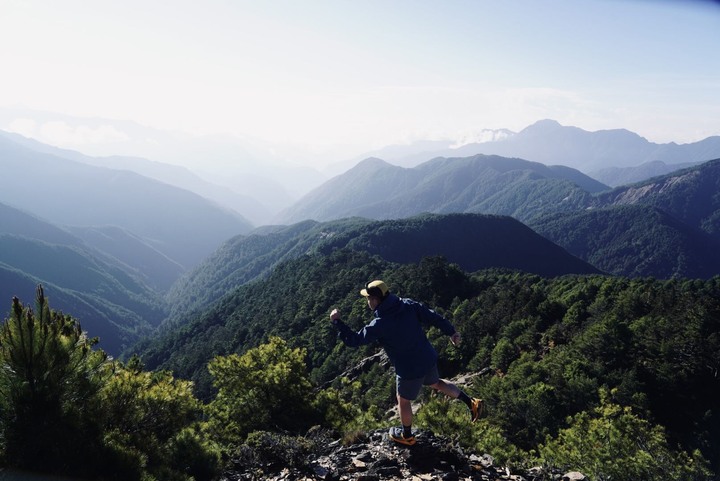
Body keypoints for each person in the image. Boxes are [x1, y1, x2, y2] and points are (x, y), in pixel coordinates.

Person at [330, 280, 483, 446]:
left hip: (409, 368)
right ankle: (471, 402)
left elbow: (355, 340)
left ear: (375, 300)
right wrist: (451, 331)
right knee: (436, 382)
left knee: (403, 400)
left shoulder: (380, 323)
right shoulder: (407, 304)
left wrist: (337, 322)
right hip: (427, 357)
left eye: (368, 298)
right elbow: (432, 316)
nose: (367, 301)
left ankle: (407, 436)